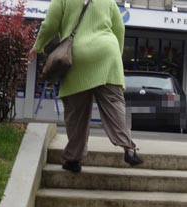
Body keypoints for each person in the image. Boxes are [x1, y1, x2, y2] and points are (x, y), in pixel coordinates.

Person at [29, 0, 143, 173]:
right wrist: (114, 56)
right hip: (108, 53)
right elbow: (120, 28)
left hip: (78, 56)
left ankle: (73, 159)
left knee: (77, 113)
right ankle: (129, 148)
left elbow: (49, 24)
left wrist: (37, 46)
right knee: (115, 105)